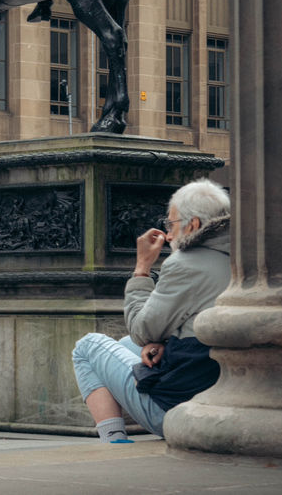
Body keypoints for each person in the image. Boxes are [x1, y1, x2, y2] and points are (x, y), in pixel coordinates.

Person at [72, 178, 231, 443]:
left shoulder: (186, 263)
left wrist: (142, 268)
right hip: (217, 390)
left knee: (87, 348)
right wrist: (162, 341)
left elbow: (141, 330)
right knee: (125, 345)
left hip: (175, 412)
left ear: (193, 225)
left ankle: (115, 442)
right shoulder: (241, 258)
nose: (168, 236)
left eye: (171, 224)